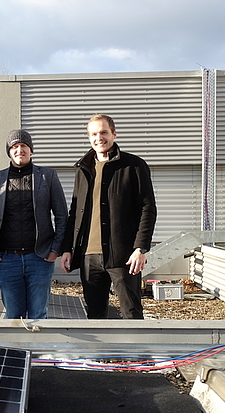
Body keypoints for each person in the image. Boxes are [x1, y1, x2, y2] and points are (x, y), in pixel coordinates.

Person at [61, 114, 157, 319]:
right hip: (89, 256)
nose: (99, 138)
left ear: (114, 133)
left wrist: (140, 248)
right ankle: (101, 353)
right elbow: (75, 212)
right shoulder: (83, 170)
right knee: (95, 315)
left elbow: (148, 209)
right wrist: (67, 249)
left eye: (104, 132)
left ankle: (135, 352)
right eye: (94, 134)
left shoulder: (134, 166)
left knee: (131, 313)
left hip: (123, 256)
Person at [0, 129, 68, 319]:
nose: (19, 149)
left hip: (39, 259)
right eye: (14, 146)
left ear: (31, 150)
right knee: (12, 316)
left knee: (39, 315)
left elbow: (62, 215)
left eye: (23, 145)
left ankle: (38, 350)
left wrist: (55, 250)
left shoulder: (48, 176)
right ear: (9, 151)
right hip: (6, 260)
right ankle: (15, 350)